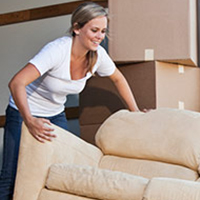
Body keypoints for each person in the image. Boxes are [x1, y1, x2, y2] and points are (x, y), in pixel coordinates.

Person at [0, 2, 140, 200]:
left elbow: (118, 78)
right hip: (23, 112)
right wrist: (30, 120)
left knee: (58, 170)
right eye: (94, 30)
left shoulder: (98, 55)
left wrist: (135, 112)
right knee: (11, 174)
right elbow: (16, 83)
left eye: (103, 31)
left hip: (55, 114)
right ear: (76, 28)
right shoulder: (56, 50)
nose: (99, 36)